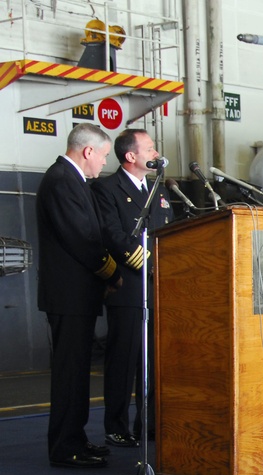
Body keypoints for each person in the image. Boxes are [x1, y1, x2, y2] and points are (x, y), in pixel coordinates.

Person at [35, 123, 122, 468]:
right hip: (68, 296)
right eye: (102, 156)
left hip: (78, 295)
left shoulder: (73, 181)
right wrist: (112, 272)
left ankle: (76, 437)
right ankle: (65, 446)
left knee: (77, 372)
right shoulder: (61, 181)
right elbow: (82, 240)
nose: (103, 163)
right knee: (69, 374)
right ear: (88, 151)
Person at [92, 128, 173, 448]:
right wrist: (149, 262)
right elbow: (111, 232)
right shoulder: (106, 188)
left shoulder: (159, 191)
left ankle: (148, 424)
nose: (155, 154)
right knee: (124, 360)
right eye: (150, 149)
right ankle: (116, 425)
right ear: (131, 156)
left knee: (154, 363)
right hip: (128, 285)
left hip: (160, 289)